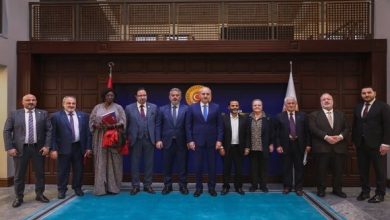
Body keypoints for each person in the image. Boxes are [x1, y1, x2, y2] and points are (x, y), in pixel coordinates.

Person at [3, 94, 52, 208]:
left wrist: (47, 146)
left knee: (40, 173)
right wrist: (9, 147)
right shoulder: (14, 114)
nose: (31, 102)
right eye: (28, 100)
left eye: (33, 100)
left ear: (36, 101)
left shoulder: (43, 113)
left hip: (38, 148)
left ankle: (39, 194)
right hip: (20, 148)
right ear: (22, 102)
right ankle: (18, 197)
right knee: (19, 174)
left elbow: (49, 131)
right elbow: (7, 131)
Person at [352, 86, 390, 203]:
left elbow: (388, 126)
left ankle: (380, 194)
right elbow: (355, 125)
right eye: (364, 93)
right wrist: (354, 141)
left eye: (369, 92)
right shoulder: (358, 107)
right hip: (361, 144)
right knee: (363, 170)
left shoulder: (383, 106)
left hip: (378, 145)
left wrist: (386, 143)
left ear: (375, 93)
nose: (366, 95)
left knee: (379, 171)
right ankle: (365, 192)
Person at [50, 96, 92, 199]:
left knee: (79, 169)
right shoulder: (55, 116)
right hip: (63, 148)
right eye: (68, 103)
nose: (71, 105)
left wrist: (88, 147)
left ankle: (77, 188)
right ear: (63, 104)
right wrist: (53, 149)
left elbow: (88, 133)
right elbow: (52, 134)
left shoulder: (83, 116)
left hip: (79, 147)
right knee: (63, 170)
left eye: (73, 103)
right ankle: (62, 190)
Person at [308, 93, 349, 198]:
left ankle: (337, 190)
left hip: (339, 147)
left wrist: (340, 137)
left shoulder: (341, 114)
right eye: (324, 99)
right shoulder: (314, 115)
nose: (326, 101)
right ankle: (321, 190)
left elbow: (347, 129)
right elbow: (313, 129)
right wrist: (326, 137)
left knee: (338, 171)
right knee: (321, 171)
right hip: (322, 148)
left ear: (332, 101)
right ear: (321, 102)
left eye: (328, 99)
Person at [186, 86, 223, 197]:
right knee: (198, 166)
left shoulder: (216, 107)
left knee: (212, 166)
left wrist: (219, 140)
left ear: (210, 96)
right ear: (199, 95)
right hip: (197, 142)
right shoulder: (192, 107)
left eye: (208, 94)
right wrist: (190, 140)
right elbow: (188, 126)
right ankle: (198, 188)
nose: (205, 96)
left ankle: (212, 188)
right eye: (203, 94)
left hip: (212, 142)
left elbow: (220, 126)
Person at [89, 89, 126, 195]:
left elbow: (123, 122)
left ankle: (113, 188)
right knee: (100, 162)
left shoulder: (118, 107)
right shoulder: (97, 107)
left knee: (115, 162)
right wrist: (96, 125)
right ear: (104, 96)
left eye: (112, 95)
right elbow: (91, 121)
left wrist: (113, 125)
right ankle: (101, 189)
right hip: (100, 137)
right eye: (108, 95)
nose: (110, 97)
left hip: (114, 137)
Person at [275, 96, 311, 196]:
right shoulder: (279, 116)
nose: (291, 105)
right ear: (285, 105)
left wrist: (308, 144)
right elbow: (276, 133)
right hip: (285, 146)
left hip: (300, 145)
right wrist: (278, 145)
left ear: (295, 105)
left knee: (299, 167)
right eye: (289, 103)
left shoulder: (303, 115)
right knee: (286, 167)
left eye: (292, 103)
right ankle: (287, 187)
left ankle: (299, 188)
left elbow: (307, 132)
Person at [156, 88, 189, 195]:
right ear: (169, 97)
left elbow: (188, 127)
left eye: (177, 95)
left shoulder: (186, 109)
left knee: (182, 166)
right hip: (166, 142)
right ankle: (167, 186)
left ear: (181, 97)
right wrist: (158, 139)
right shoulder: (162, 109)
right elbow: (158, 126)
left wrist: (189, 140)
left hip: (182, 142)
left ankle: (183, 186)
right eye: (173, 95)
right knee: (167, 165)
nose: (175, 97)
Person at [125, 88, 158, 195]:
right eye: (140, 95)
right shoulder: (129, 108)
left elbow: (157, 125)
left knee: (149, 163)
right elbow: (126, 125)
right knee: (135, 164)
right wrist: (126, 139)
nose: (142, 97)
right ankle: (135, 186)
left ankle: (148, 185)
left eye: (144, 95)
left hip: (149, 139)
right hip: (135, 140)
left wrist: (157, 139)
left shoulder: (153, 107)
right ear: (136, 97)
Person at [245, 99, 274, 193]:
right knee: (253, 168)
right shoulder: (248, 118)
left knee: (264, 168)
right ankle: (254, 185)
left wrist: (271, 143)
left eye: (259, 105)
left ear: (262, 106)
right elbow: (246, 134)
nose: (257, 107)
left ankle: (263, 185)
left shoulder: (268, 118)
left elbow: (272, 133)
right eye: (255, 105)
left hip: (264, 147)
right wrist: (247, 146)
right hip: (252, 147)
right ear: (252, 107)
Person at [220, 100, 247, 195]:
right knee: (226, 169)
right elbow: (220, 134)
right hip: (227, 148)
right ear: (229, 107)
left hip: (239, 148)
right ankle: (225, 187)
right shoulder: (223, 118)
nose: (235, 107)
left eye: (236, 105)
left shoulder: (244, 118)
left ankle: (238, 187)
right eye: (233, 105)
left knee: (239, 169)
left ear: (238, 107)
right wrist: (221, 147)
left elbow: (247, 134)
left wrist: (247, 147)